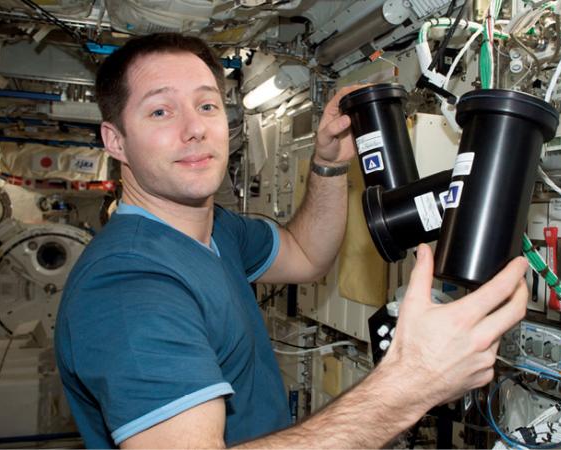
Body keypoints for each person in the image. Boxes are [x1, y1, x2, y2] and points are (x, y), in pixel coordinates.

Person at [55, 32, 529, 449]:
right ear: (115, 141)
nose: (195, 128)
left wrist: (328, 165)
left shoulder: (213, 229)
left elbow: (305, 255)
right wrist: (411, 383)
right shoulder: (129, 286)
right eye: (161, 111)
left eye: (206, 105)